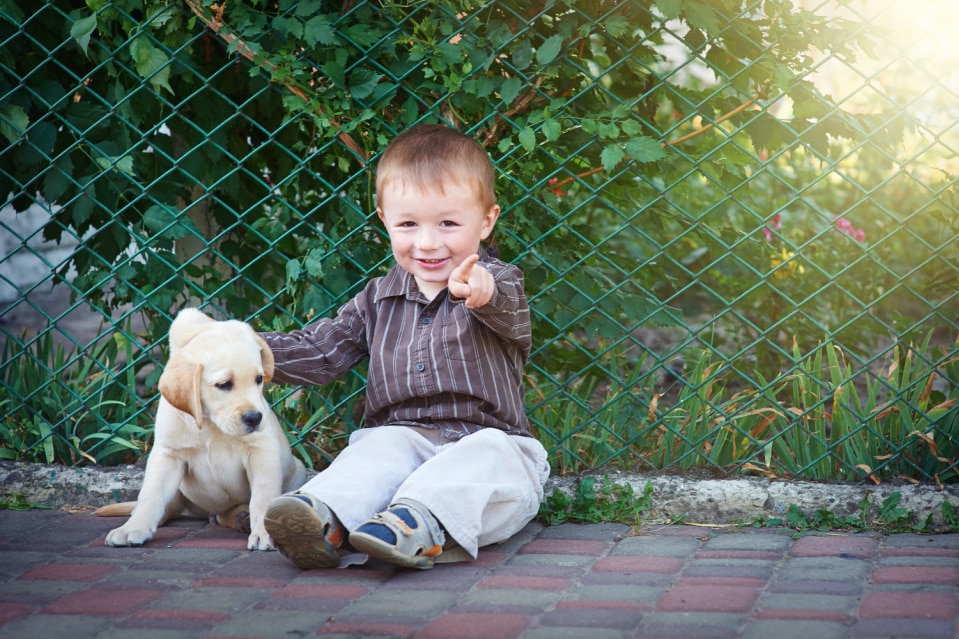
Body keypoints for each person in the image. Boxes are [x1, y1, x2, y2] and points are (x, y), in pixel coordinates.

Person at [258, 123, 550, 570]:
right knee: (375, 452)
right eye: (408, 224)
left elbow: (504, 304)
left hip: (491, 443)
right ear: (384, 220)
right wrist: (248, 349)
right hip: (403, 442)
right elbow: (321, 351)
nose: (428, 242)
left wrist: (481, 291)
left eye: (449, 223)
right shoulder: (376, 299)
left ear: (487, 220)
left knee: (487, 459)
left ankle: (417, 522)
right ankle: (323, 518)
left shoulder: (499, 283)